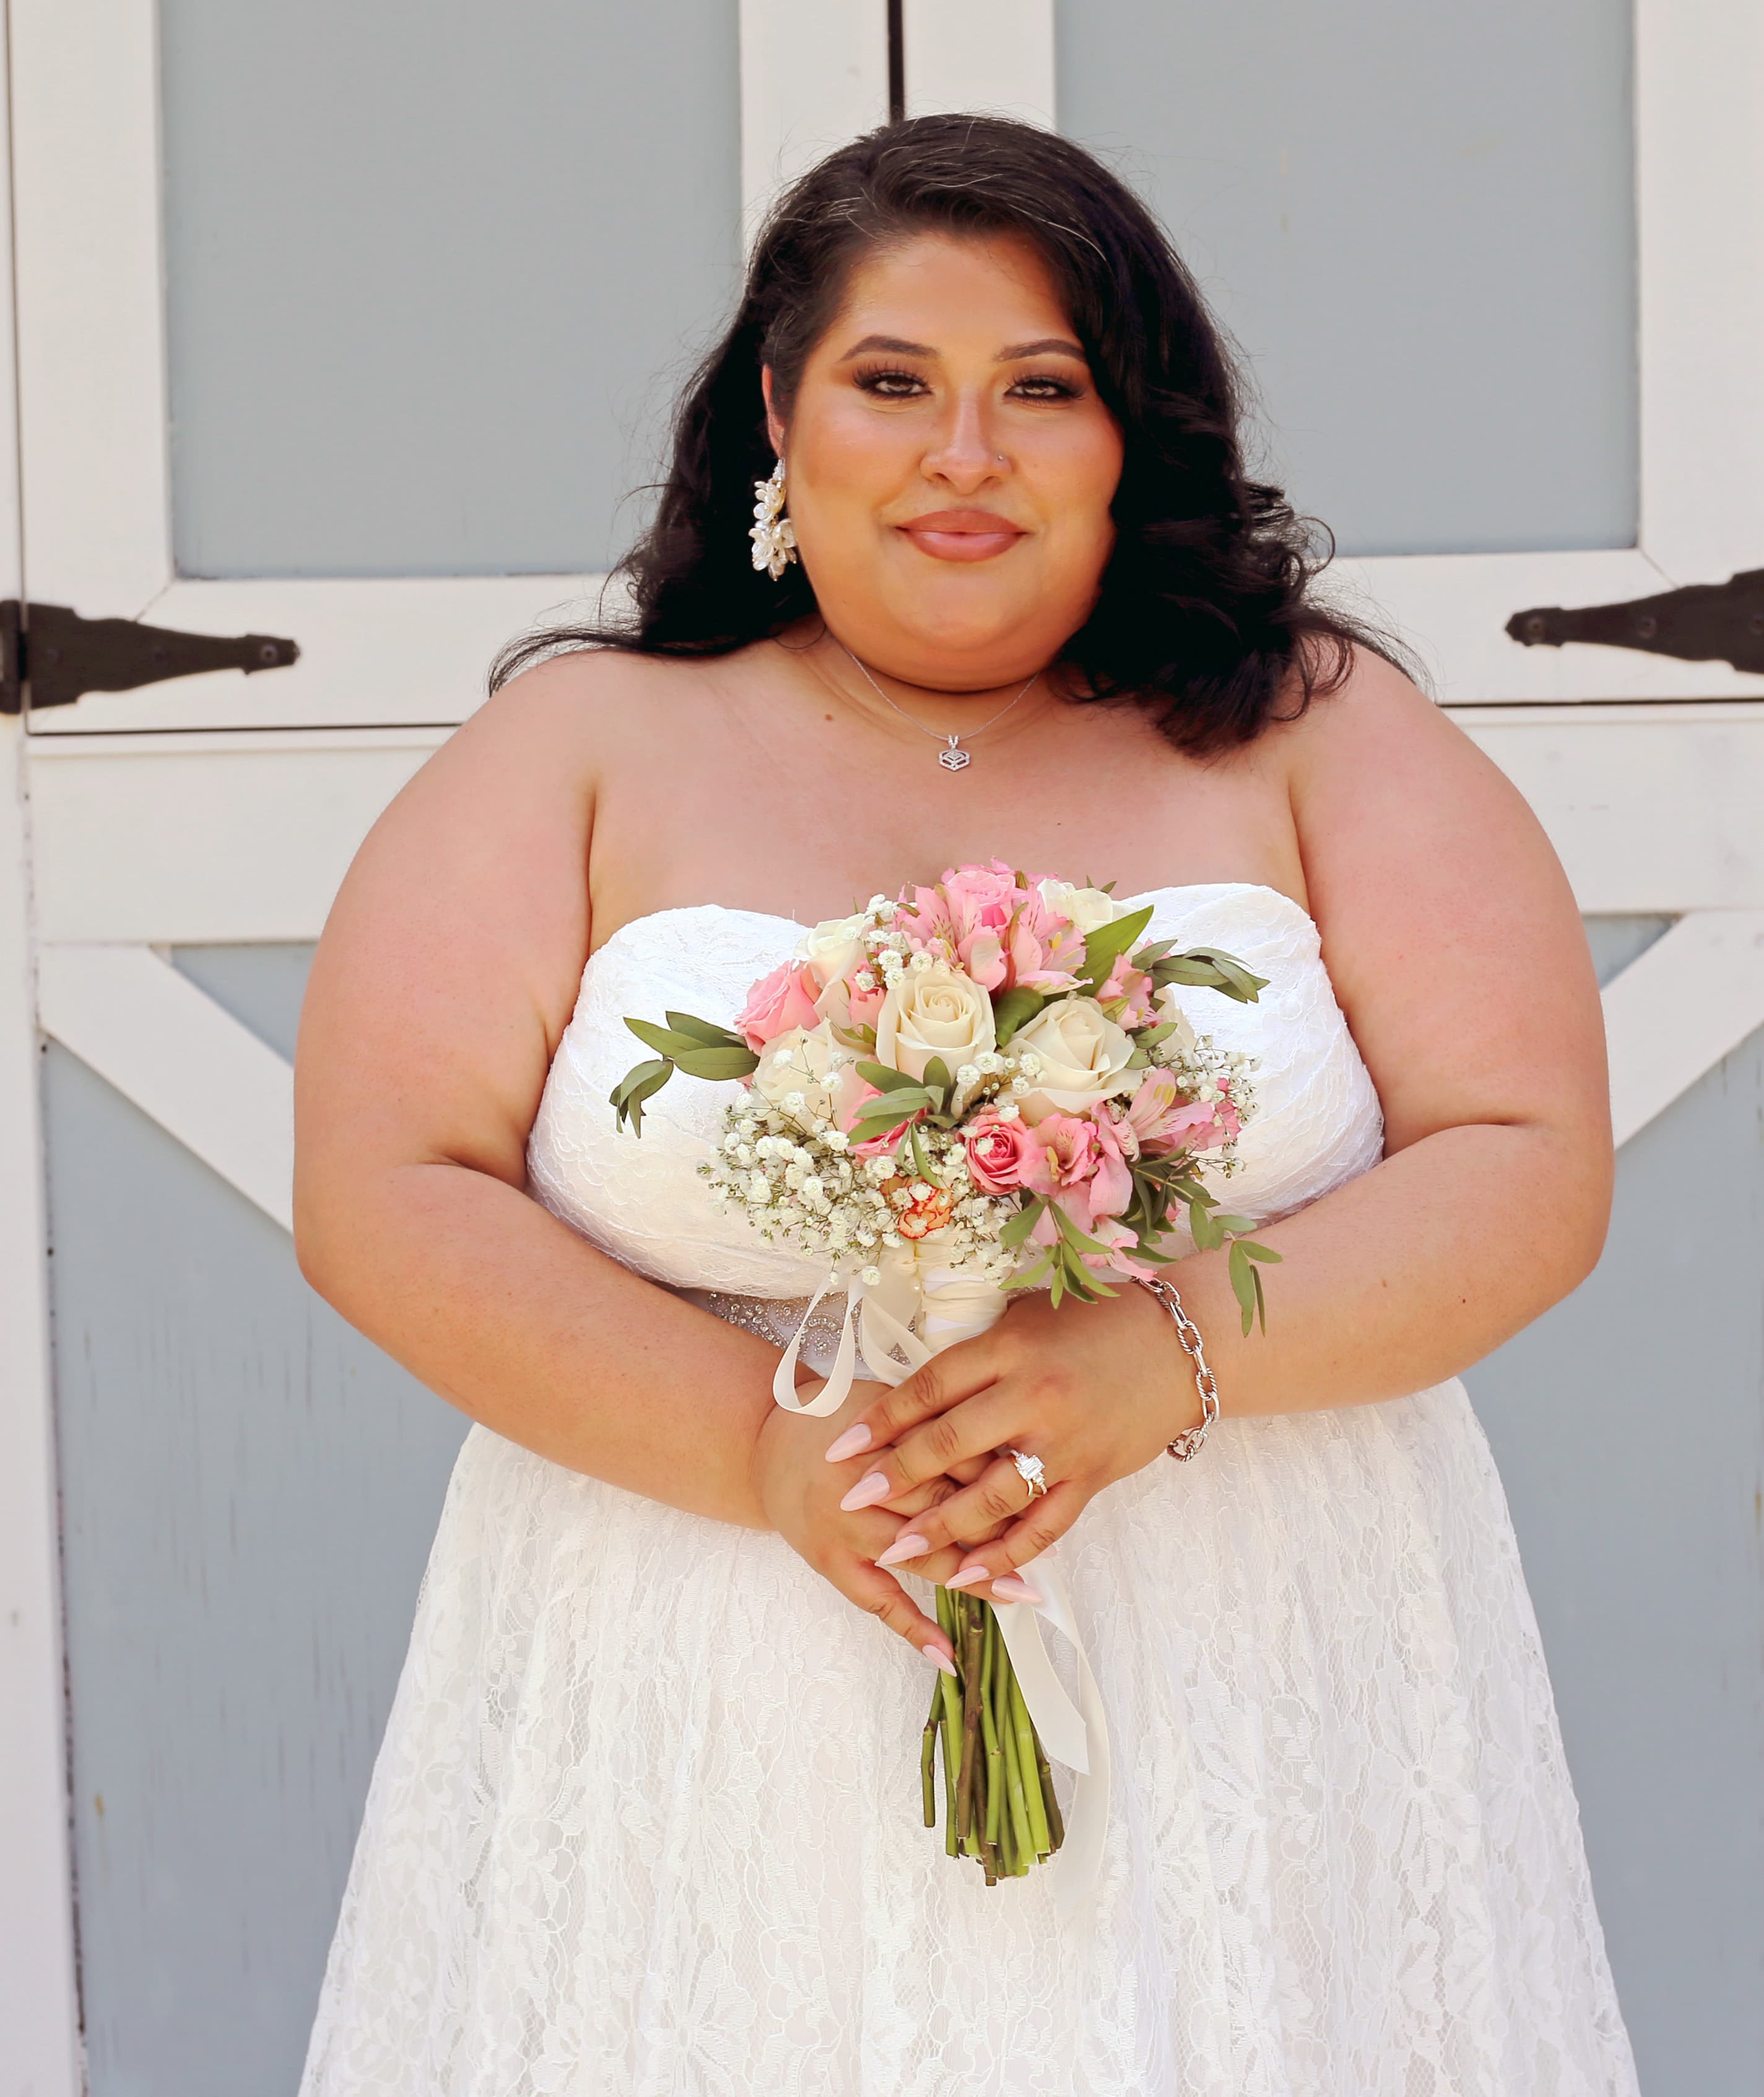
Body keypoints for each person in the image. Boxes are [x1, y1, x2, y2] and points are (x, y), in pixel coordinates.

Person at [293, 115, 1638, 2095]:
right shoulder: (577, 748)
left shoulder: (1320, 729)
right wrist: (762, 1451)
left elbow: (1525, 1158)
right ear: (780, 411)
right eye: (891, 384)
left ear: (1132, 436)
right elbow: (386, 1184)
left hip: (1252, 1642)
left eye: (1041, 389)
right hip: (705, 1637)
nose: (961, 455)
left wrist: (1156, 1354)